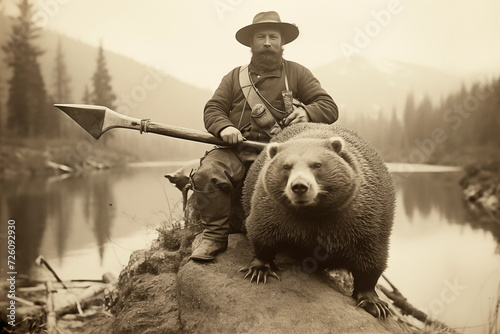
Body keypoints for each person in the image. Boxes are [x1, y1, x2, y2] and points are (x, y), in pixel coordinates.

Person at [190, 11, 339, 261]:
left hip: (280, 155)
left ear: (282, 43)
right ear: (252, 43)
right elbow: (213, 109)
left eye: (273, 37)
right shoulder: (234, 77)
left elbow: (329, 106)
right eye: (261, 37)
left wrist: (307, 112)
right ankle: (215, 237)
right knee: (208, 173)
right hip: (236, 150)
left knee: (285, 187)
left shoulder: (297, 73)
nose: (268, 42)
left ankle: (288, 243)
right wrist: (225, 127)